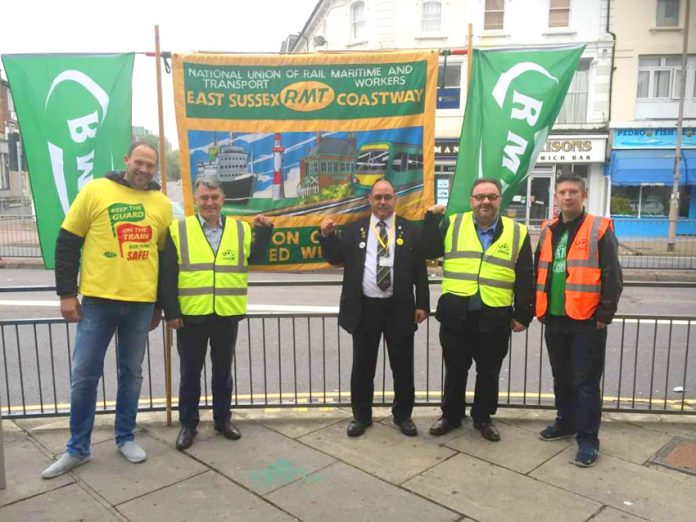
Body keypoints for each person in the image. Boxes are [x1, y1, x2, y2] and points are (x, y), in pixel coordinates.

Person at [42, 142, 173, 479]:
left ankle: (125, 437)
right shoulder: (96, 190)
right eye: (140, 162)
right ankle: (77, 448)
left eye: (151, 166)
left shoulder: (161, 204)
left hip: (141, 303)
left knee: (132, 374)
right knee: (84, 375)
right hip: (98, 302)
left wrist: (159, 304)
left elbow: (164, 258)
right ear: (127, 159)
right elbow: (68, 241)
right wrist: (67, 294)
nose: (144, 170)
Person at [159, 177, 272, 450]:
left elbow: (255, 258)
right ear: (196, 200)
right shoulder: (178, 229)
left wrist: (264, 232)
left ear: (223, 200)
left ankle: (223, 420)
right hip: (190, 316)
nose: (209, 202)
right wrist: (170, 312)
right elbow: (167, 275)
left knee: (223, 371)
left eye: (214, 197)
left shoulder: (240, 230)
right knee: (190, 373)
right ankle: (189, 424)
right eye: (204, 198)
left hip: (225, 315)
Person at [424, 178, 534, 442]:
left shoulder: (517, 231)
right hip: (456, 315)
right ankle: (451, 415)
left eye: (492, 197)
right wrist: (430, 219)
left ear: (499, 200)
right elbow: (429, 250)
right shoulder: (452, 223)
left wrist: (523, 314)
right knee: (455, 369)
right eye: (480, 196)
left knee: (489, 371)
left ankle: (483, 417)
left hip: (495, 315)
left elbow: (525, 276)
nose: (486, 201)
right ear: (472, 200)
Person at [319, 179, 429, 437]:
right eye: (378, 197)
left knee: (402, 366)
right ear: (369, 199)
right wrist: (326, 236)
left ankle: (403, 416)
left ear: (395, 200)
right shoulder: (353, 230)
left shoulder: (410, 230)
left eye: (387, 197)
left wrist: (422, 303)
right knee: (363, 366)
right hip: (364, 308)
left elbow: (419, 271)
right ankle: (361, 416)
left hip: (399, 308)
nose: (382, 202)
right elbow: (334, 258)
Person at [535, 174, 622, 467]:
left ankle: (587, 439)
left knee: (585, 383)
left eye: (574, 191)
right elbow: (539, 270)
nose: (568, 196)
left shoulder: (599, 228)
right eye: (563, 192)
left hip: (587, 320)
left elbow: (612, 275)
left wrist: (605, 314)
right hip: (554, 317)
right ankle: (566, 422)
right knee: (562, 377)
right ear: (556, 197)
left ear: (583, 195)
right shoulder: (548, 229)